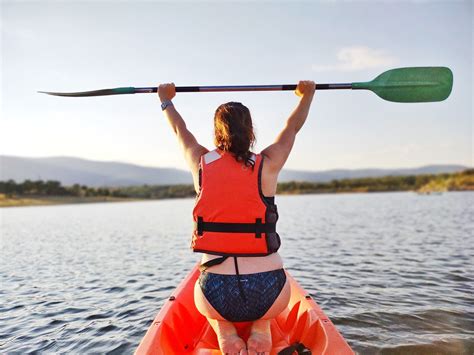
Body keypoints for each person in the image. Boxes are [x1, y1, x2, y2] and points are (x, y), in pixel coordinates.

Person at [158, 80, 316, 355]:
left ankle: (224, 330)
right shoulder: (269, 163)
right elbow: (292, 127)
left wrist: (166, 100)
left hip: (216, 295)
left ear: (217, 132)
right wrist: (306, 96)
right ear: (250, 131)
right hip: (269, 294)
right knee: (266, 306)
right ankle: (262, 326)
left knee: (210, 301)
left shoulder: (200, 163)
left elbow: (178, 129)